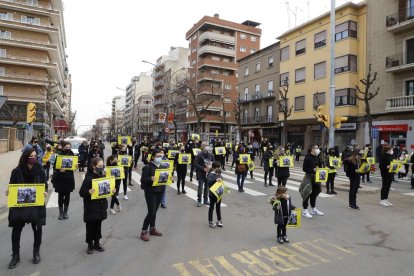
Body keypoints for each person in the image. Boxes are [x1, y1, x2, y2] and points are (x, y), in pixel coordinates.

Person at [6, 148, 48, 269]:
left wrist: (45, 192)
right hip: (20, 207)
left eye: (35, 156)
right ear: (25, 157)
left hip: (36, 206)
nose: (34, 158)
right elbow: (11, 185)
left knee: (37, 229)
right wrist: (9, 191)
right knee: (16, 230)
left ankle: (36, 252)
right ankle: (15, 255)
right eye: (31, 156)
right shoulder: (16, 171)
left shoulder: (40, 170)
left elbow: (44, 185)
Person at [79, 157, 113, 254]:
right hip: (91, 206)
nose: (101, 168)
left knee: (98, 225)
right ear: (93, 166)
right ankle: (90, 244)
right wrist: (88, 192)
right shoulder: (88, 178)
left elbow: (106, 189)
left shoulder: (102, 175)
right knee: (90, 226)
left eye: (102, 166)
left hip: (101, 205)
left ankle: (97, 243)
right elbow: (81, 192)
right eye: (99, 166)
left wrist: (112, 190)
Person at [140, 149, 165, 241]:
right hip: (151, 192)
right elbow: (143, 180)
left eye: (161, 156)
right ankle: (143, 231)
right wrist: (150, 178)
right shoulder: (148, 167)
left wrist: (168, 177)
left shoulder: (162, 166)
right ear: (153, 157)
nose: (159, 158)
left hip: (160, 191)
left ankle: (152, 228)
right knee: (151, 212)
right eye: (158, 156)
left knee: (155, 211)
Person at [52, 142, 76, 220]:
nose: (68, 149)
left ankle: (65, 212)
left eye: (69, 147)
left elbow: (75, 168)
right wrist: (59, 170)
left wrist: (76, 167)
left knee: (67, 196)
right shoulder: (59, 156)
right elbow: (55, 167)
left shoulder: (73, 156)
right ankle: (61, 213)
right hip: (60, 178)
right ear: (63, 147)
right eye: (66, 147)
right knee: (61, 196)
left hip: (69, 178)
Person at [302, 145, 324, 219]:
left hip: (316, 178)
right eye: (316, 148)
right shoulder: (307, 157)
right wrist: (312, 170)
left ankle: (313, 209)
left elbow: (319, 167)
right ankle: (305, 210)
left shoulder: (317, 157)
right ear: (312, 149)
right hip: (309, 177)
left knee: (314, 193)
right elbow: (304, 168)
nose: (318, 149)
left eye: (318, 148)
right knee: (307, 193)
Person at [194, 142, 215, 207]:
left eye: (208, 145)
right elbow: (195, 164)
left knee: (207, 187)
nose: (207, 146)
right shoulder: (199, 155)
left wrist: (212, 166)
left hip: (208, 173)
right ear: (202, 147)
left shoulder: (211, 155)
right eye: (206, 145)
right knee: (200, 186)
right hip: (201, 173)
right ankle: (199, 200)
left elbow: (214, 162)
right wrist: (203, 168)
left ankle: (205, 200)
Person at [207, 161, 223, 228]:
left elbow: (222, 182)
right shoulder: (210, 174)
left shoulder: (220, 174)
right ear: (215, 168)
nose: (220, 168)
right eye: (219, 167)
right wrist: (215, 180)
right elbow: (209, 183)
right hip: (212, 194)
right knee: (211, 207)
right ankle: (210, 221)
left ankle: (219, 220)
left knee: (218, 207)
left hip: (219, 193)